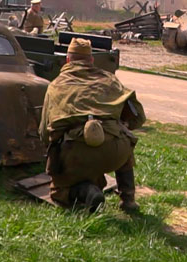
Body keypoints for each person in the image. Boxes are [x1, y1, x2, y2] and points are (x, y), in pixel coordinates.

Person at [40, 38, 146, 212]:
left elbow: (44, 131)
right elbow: (138, 117)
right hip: (116, 153)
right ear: (91, 60)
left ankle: (87, 192)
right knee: (123, 135)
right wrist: (122, 125)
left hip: (76, 153)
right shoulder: (110, 80)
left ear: (68, 60)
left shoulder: (56, 85)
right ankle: (128, 199)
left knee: (58, 192)